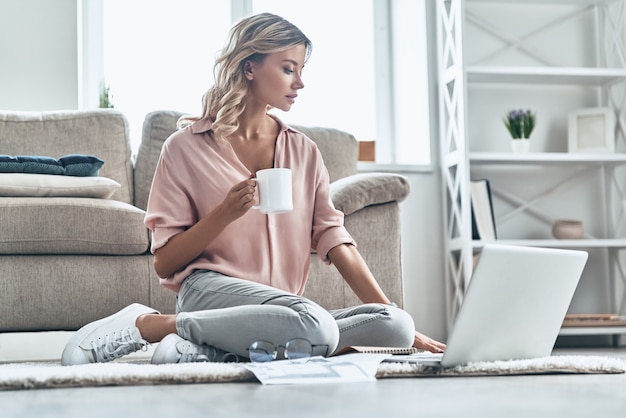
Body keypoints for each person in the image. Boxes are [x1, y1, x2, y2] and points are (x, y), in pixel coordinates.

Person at [61, 12, 445, 366]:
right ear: (249, 68)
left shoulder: (303, 150)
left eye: (301, 71)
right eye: (288, 69)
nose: (300, 82)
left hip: (284, 307)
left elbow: (334, 238)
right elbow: (164, 262)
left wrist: (403, 325)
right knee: (317, 326)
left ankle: (209, 348)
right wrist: (224, 213)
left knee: (394, 325)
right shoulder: (185, 147)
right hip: (208, 292)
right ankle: (151, 325)